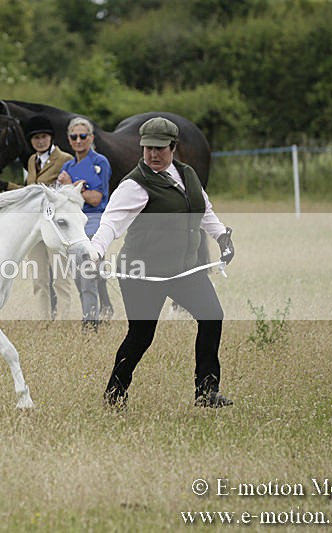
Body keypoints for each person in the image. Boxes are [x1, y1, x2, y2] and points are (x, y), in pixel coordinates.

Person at [91, 116, 235, 409]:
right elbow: (111, 223)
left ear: (173, 147)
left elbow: (203, 210)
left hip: (184, 269)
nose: (153, 155)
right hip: (144, 273)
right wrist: (96, 250)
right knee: (141, 335)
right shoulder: (134, 184)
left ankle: (206, 392)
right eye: (148, 149)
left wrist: (221, 236)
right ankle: (114, 395)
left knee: (212, 316)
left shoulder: (187, 174)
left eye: (160, 149)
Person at [56, 117, 112, 330]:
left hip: (94, 221)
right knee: (80, 275)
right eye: (74, 137)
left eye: (82, 136)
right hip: (73, 224)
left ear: (91, 137)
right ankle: (105, 306)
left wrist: (71, 186)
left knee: (87, 273)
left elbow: (96, 198)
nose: (78, 140)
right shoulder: (68, 165)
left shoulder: (99, 162)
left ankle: (90, 321)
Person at [24, 115, 77, 320]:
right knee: (39, 279)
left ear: (51, 138)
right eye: (35, 137)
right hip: (36, 227)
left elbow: (67, 193)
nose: (40, 141)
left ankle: (63, 321)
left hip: (56, 226)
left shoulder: (65, 159)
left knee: (60, 278)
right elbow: (32, 189)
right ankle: (43, 320)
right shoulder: (31, 160)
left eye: (44, 136)